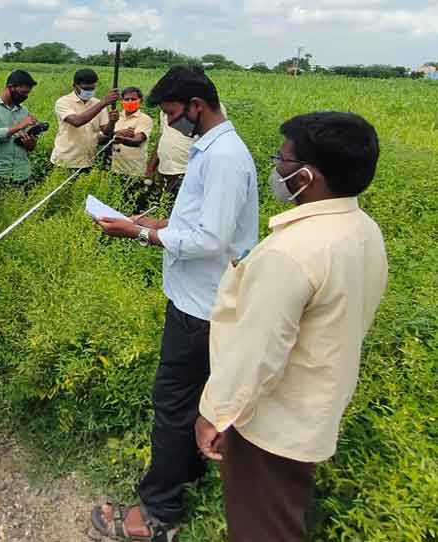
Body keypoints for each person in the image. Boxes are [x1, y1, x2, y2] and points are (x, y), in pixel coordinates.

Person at [196, 112, 388, 542]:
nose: (276, 168)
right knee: (281, 517)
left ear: (307, 176)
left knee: (261, 529)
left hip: (271, 425)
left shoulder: (293, 252)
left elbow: (258, 351)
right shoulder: (362, 230)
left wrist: (215, 414)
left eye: (282, 159)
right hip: (311, 413)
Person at [89, 66, 259, 541]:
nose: (168, 123)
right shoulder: (212, 149)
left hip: (201, 306)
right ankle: (188, 478)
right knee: (192, 401)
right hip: (196, 298)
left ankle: (158, 513)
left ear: (195, 107)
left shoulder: (223, 156)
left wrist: (138, 232)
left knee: (173, 403)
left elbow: (210, 239)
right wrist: (157, 221)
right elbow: (197, 223)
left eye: (170, 114)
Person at [146, 100, 227, 195]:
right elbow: (163, 137)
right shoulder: (167, 107)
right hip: (165, 170)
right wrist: (150, 168)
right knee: (164, 204)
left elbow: (215, 139)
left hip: (188, 172)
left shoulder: (211, 106)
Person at [51, 68, 119, 170]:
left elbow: (106, 130)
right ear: (75, 86)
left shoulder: (98, 103)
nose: (89, 92)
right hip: (65, 160)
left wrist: (112, 122)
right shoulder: (63, 102)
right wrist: (103, 103)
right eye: (85, 89)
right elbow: (77, 121)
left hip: (88, 160)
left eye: (92, 88)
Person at [0, 69, 39, 189]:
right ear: (11, 87)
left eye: (28, 93)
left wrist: (30, 143)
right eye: (23, 92)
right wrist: (19, 126)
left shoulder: (23, 110)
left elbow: (31, 147)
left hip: (22, 173)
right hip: (0, 174)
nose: (25, 96)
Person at [111, 86, 154, 178]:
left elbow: (137, 140)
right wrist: (118, 133)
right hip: (115, 169)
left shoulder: (144, 119)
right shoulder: (116, 117)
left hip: (135, 171)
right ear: (122, 101)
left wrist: (119, 138)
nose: (130, 102)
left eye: (133, 99)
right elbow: (104, 135)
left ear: (140, 101)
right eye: (127, 99)